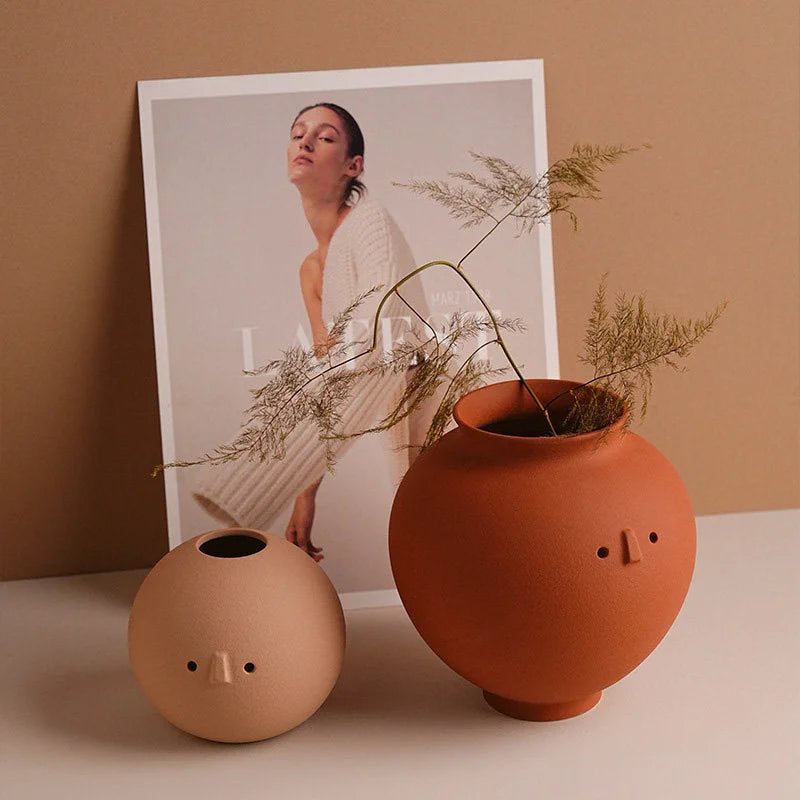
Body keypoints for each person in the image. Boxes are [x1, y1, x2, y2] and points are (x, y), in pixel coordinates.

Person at [192, 102, 437, 562]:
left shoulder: (370, 222)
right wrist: (305, 493)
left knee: (437, 522)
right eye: (297, 133)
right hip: (385, 407)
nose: (304, 142)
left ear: (353, 165)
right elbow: (330, 377)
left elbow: (382, 336)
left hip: (428, 391)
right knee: (424, 528)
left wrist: (279, 471)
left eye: (324, 137)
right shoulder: (311, 271)